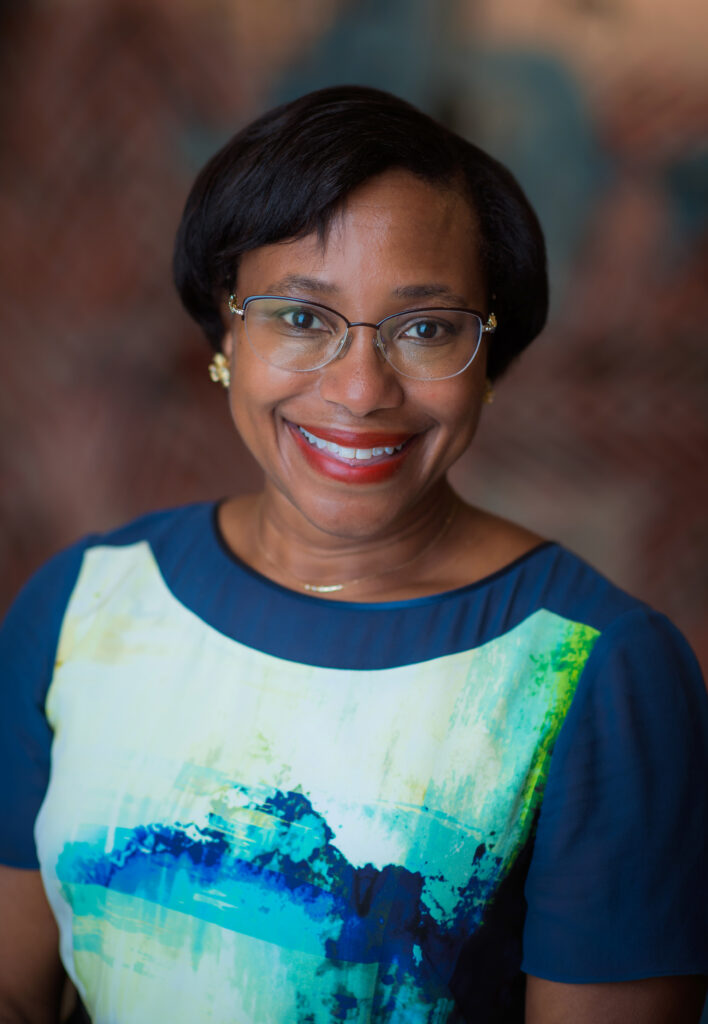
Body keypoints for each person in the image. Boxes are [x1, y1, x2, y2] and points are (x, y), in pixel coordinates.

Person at [0, 85, 706, 1024]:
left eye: (426, 328)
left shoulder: (598, 672)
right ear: (227, 329)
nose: (361, 389)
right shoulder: (79, 606)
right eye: (300, 317)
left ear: (488, 358)